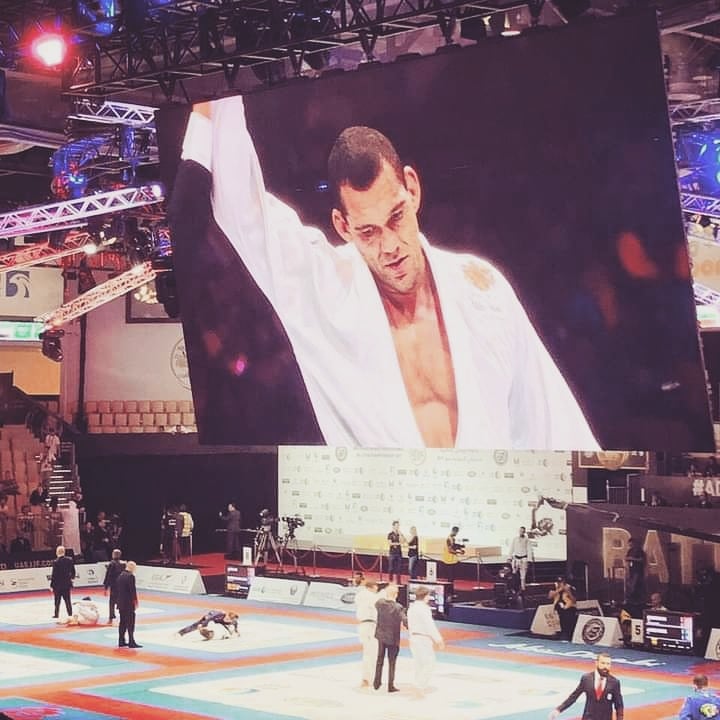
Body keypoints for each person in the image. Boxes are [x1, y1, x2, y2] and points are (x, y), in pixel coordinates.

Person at [179, 98, 600, 451]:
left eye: (396, 217)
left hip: (493, 517)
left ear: (412, 189)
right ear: (343, 227)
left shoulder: (483, 291)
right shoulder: (324, 289)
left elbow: (554, 428)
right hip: (384, 520)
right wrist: (216, 89)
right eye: (368, 231)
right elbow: (241, 209)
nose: (390, 246)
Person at [549, 652, 624, 720]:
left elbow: (619, 705)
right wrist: (559, 709)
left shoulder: (614, 682)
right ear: (596, 663)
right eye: (603, 663)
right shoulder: (586, 678)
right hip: (588, 717)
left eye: (608, 664)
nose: (605, 666)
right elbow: (574, 696)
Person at [407, 585, 444, 697]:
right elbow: (429, 625)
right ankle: (419, 686)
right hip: (423, 638)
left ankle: (418, 685)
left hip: (413, 637)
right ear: (426, 596)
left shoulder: (412, 608)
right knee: (429, 663)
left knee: (419, 663)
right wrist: (438, 639)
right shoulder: (423, 609)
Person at [373, 582, 406, 692]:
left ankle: (376, 682)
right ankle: (390, 685)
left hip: (381, 635)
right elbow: (404, 620)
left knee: (379, 659)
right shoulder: (398, 607)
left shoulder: (379, 603)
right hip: (393, 637)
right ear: (396, 594)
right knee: (392, 662)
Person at [355, 579, 379, 688]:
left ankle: (367, 678)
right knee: (372, 653)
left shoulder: (359, 595)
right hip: (370, 625)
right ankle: (369, 678)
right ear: (373, 587)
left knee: (367, 652)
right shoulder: (372, 597)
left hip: (362, 625)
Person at [116, 560, 141, 648]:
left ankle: (121, 640)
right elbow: (132, 590)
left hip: (120, 603)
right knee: (130, 623)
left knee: (122, 622)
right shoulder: (130, 576)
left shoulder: (120, 575)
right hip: (128, 603)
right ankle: (131, 641)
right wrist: (135, 601)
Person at [50, 545, 75, 619]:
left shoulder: (56, 562)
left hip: (58, 585)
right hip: (67, 584)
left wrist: (51, 585)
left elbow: (54, 575)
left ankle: (56, 614)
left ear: (57, 552)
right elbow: (73, 571)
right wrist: (71, 578)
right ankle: (70, 614)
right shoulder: (70, 560)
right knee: (68, 600)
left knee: (57, 601)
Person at [548, 577, 577, 641]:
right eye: (558, 582)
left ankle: (569, 635)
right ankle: (562, 635)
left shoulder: (570, 588)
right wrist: (558, 590)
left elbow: (574, 600)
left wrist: (569, 592)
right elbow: (549, 596)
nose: (560, 584)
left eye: (561, 582)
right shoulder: (554, 587)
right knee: (561, 621)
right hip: (559, 608)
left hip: (569, 608)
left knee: (568, 620)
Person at [103, 549, 126, 623]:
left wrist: (106, 587)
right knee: (122, 602)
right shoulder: (123, 564)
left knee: (112, 602)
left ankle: (111, 618)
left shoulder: (112, 564)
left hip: (114, 586)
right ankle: (123, 617)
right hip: (122, 586)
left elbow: (108, 576)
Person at [509, 525, 532, 591]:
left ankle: (523, 589)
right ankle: (513, 588)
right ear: (519, 531)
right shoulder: (515, 539)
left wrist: (529, 560)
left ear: (524, 532)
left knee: (523, 576)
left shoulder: (527, 540)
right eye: (520, 531)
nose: (521, 532)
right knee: (514, 574)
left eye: (523, 531)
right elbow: (511, 548)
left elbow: (529, 550)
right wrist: (509, 557)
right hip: (516, 559)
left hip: (523, 559)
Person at [625, 537, 646, 604]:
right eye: (629, 544)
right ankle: (631, 600)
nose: (630, 545)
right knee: (630, 585)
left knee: (635, 586)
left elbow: (642, 560)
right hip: (631, 571)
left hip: (637, 571)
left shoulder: (640, 551)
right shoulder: (630, 550)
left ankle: (635, 600)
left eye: (631, 544)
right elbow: (626, 558)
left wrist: (633, 559)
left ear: (634, 543)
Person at [387, 520, 405, 584]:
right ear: (393, 526)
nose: (398, 527)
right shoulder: (390, 534)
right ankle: (390, 580)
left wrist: (401, 534)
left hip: (399, 553)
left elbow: (403, 541)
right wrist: (398, 543)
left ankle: (398, 582)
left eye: (398, 526)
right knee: (391, 568)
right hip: (392, 553)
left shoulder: (399, 534)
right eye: (396, 525)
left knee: (399, 568)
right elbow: (390, 543)